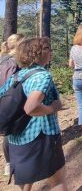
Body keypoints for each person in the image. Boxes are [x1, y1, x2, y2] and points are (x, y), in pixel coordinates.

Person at [0, 37, 67, 190]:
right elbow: (31, 107)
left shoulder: (17, 76)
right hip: (43, 136)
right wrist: (53, 107)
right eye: (48, 49)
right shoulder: (42, 76)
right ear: (37, 53)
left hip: (17, 137)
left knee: (25, 180)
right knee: (58, 179)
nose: (51, 52)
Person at [0, 34, 25, 176]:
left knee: (7, 130)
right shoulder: (15, 61)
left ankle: (9, 163)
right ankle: (14, 161)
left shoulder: (1, 58)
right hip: (12, 97)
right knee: (13, 128)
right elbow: (12, 81)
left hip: (2, 98)